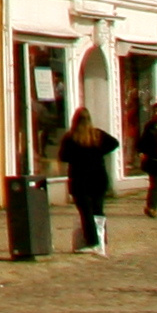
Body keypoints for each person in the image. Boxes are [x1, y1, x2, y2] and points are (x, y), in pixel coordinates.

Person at [61, 107, 114, 255]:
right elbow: (114, 143)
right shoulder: (97, 135)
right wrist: (99, 152)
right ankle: (102, 240)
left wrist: (76, 158)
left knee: (86, 212)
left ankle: (92, 241)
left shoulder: (71, 137)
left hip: (80, 178)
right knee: (98, 210)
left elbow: (63, 156)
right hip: (98, 176)